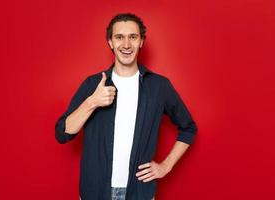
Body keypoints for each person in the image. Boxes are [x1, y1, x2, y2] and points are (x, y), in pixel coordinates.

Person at [55, 13, 198, 200]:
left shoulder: (159, 86)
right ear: (110, 43)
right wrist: (92, 102)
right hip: (95, 192)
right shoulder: (93, 85)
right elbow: (63, 133)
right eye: (119, 37)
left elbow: (189, 128)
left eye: (133, 37)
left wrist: (166, 165)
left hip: (139, 193)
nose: (126, 44)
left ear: (141, 42)